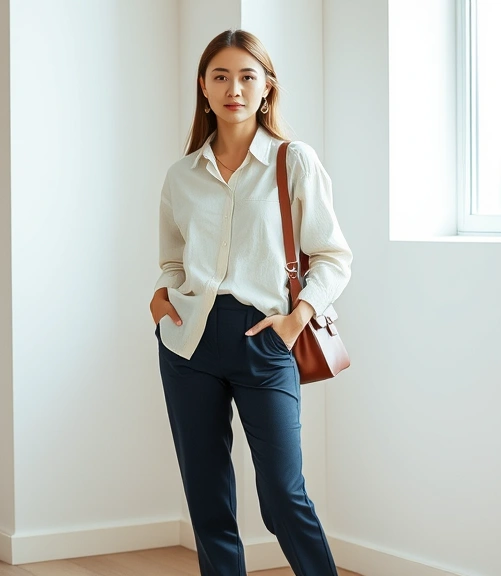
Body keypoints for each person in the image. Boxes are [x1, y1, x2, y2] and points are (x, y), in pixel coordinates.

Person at [150, 29, 351, 576]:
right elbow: (173, 260)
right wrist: (162, 299)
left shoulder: (293, 161)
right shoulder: (182, 175)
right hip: (188, 341)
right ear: (203, 86)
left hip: (265, 338)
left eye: (246, 76)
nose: (233, 89)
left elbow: (333, 256)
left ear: (266, 87)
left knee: (284, 497)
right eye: (220, 76)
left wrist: (298, 317)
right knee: (207, 498)